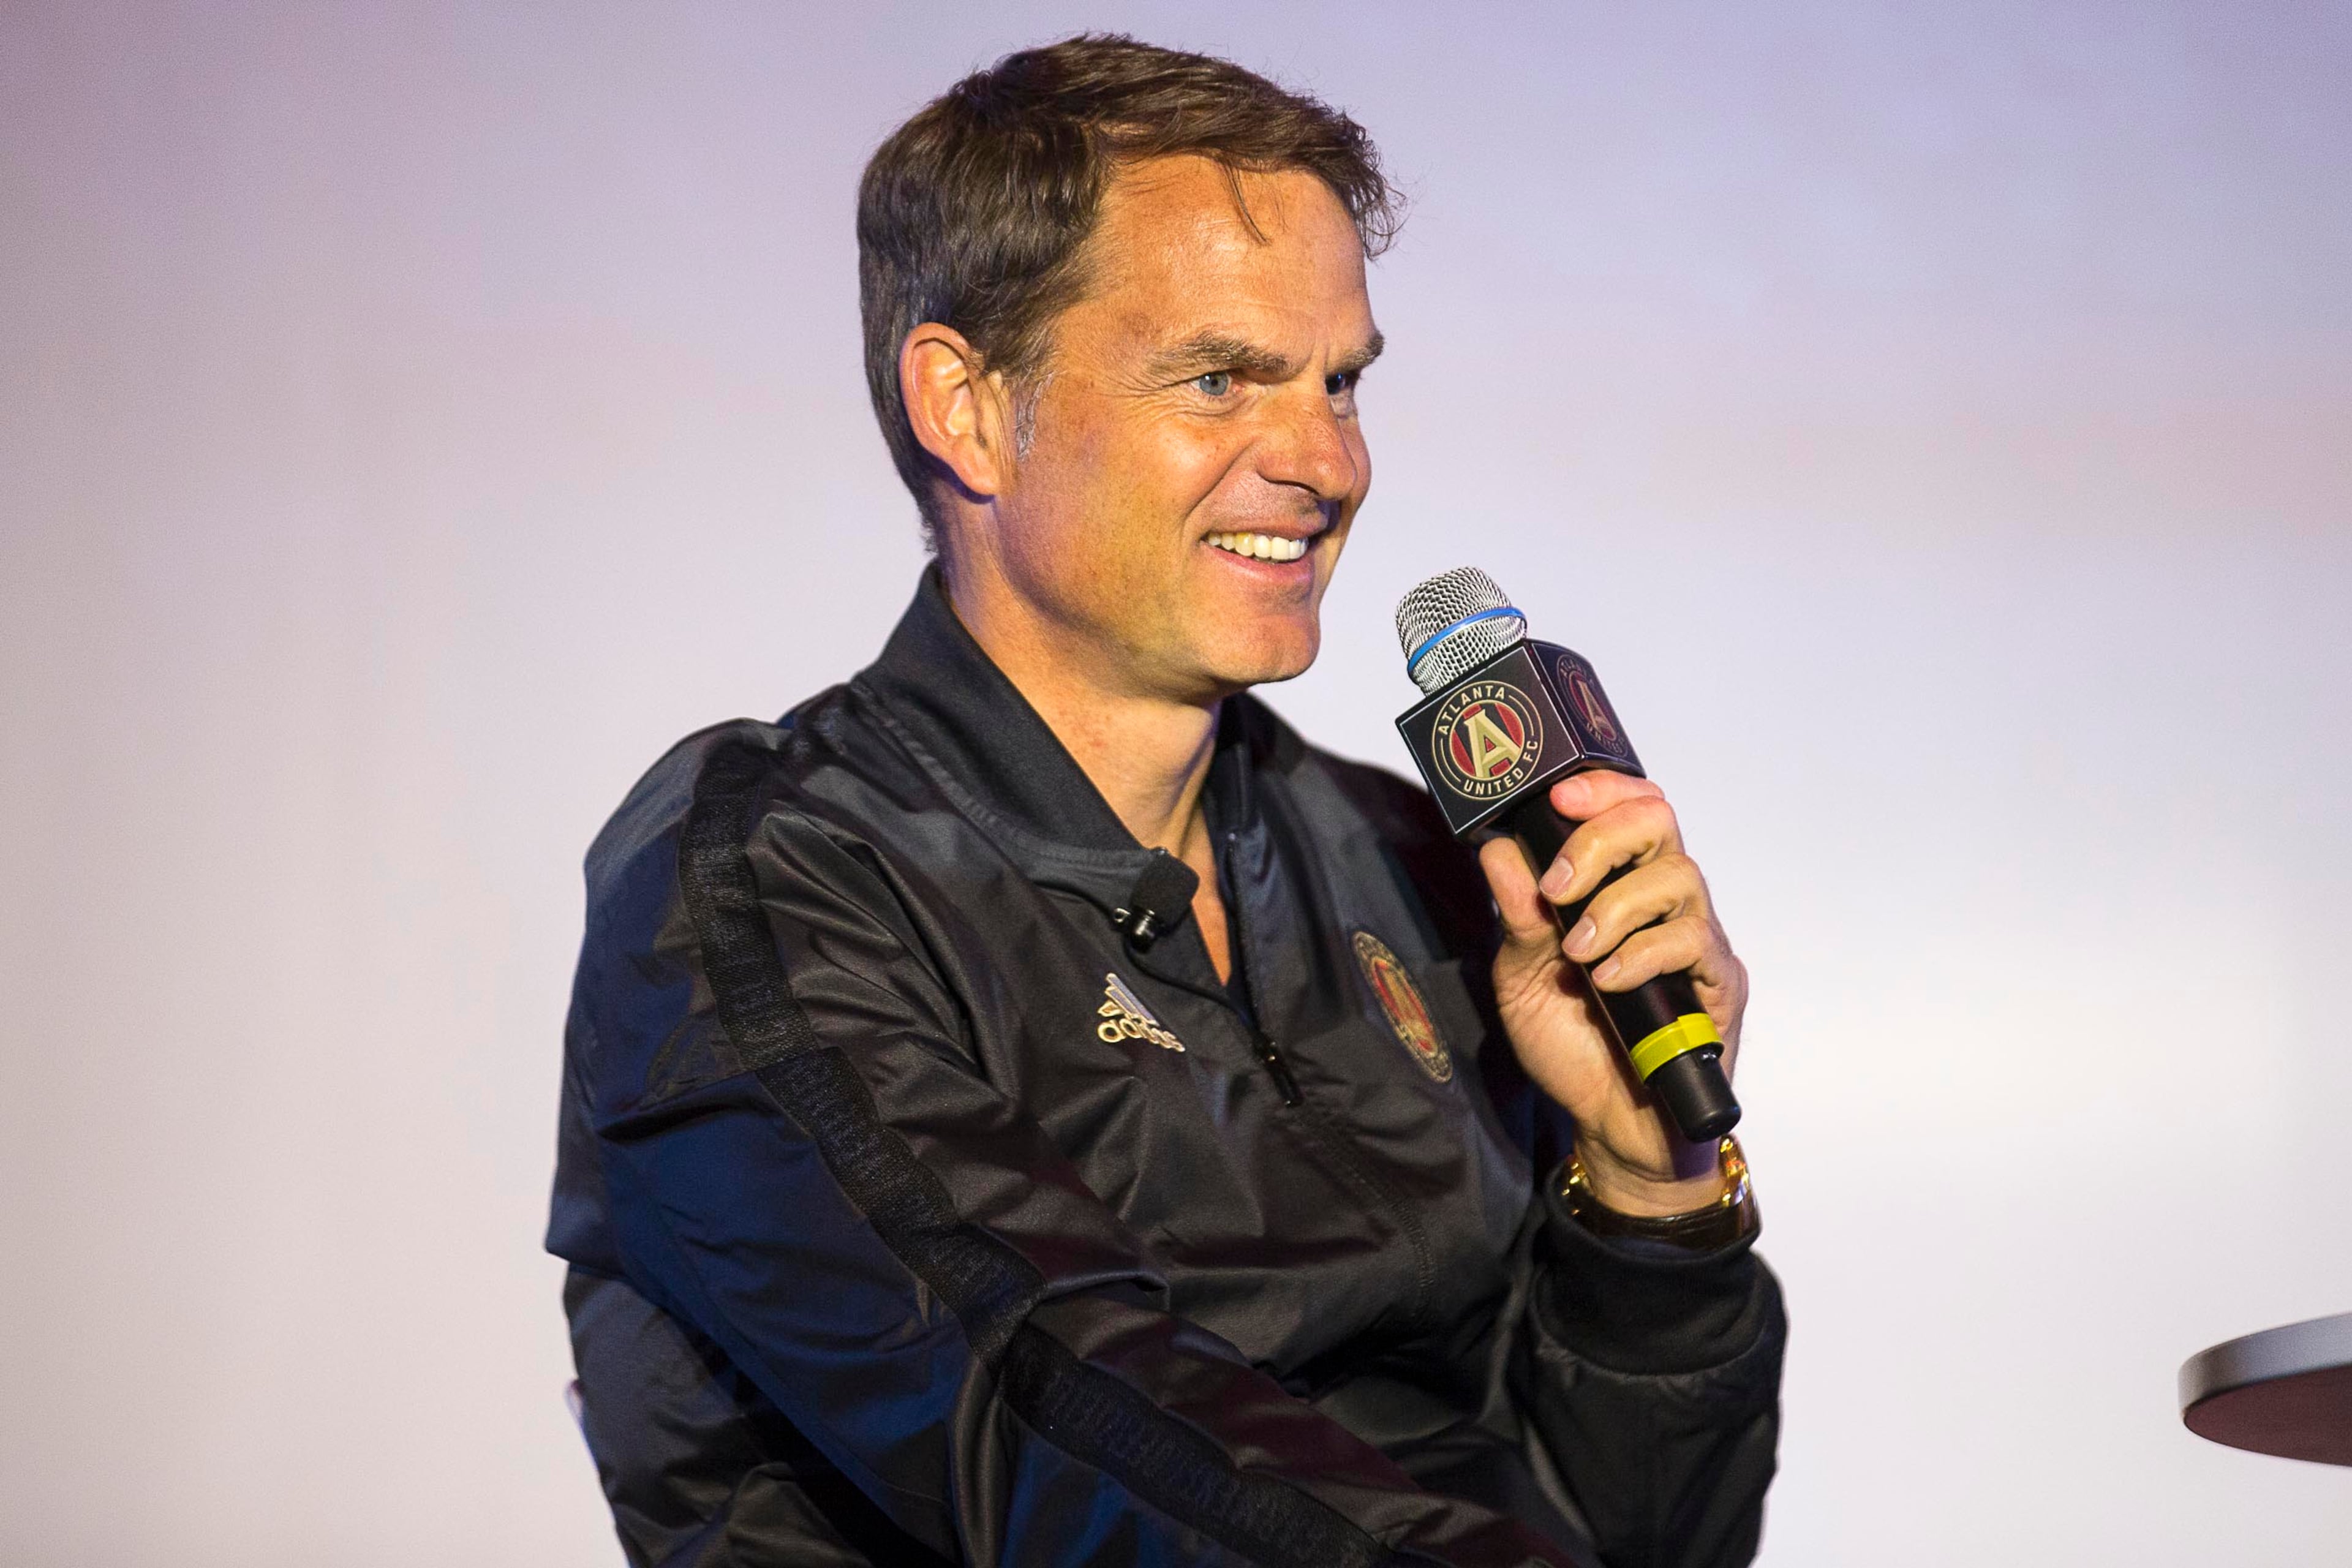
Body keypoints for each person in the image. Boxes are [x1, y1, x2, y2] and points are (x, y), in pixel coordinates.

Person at [548, 34, 1783, 1568]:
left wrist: (1648, 1194)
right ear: (968, 405)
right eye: (1219, 379)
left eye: (1340, 380)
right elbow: (1055, 1408)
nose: (1324, 461)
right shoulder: (766, 875)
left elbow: (1641, 1535)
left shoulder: (1409, 858)